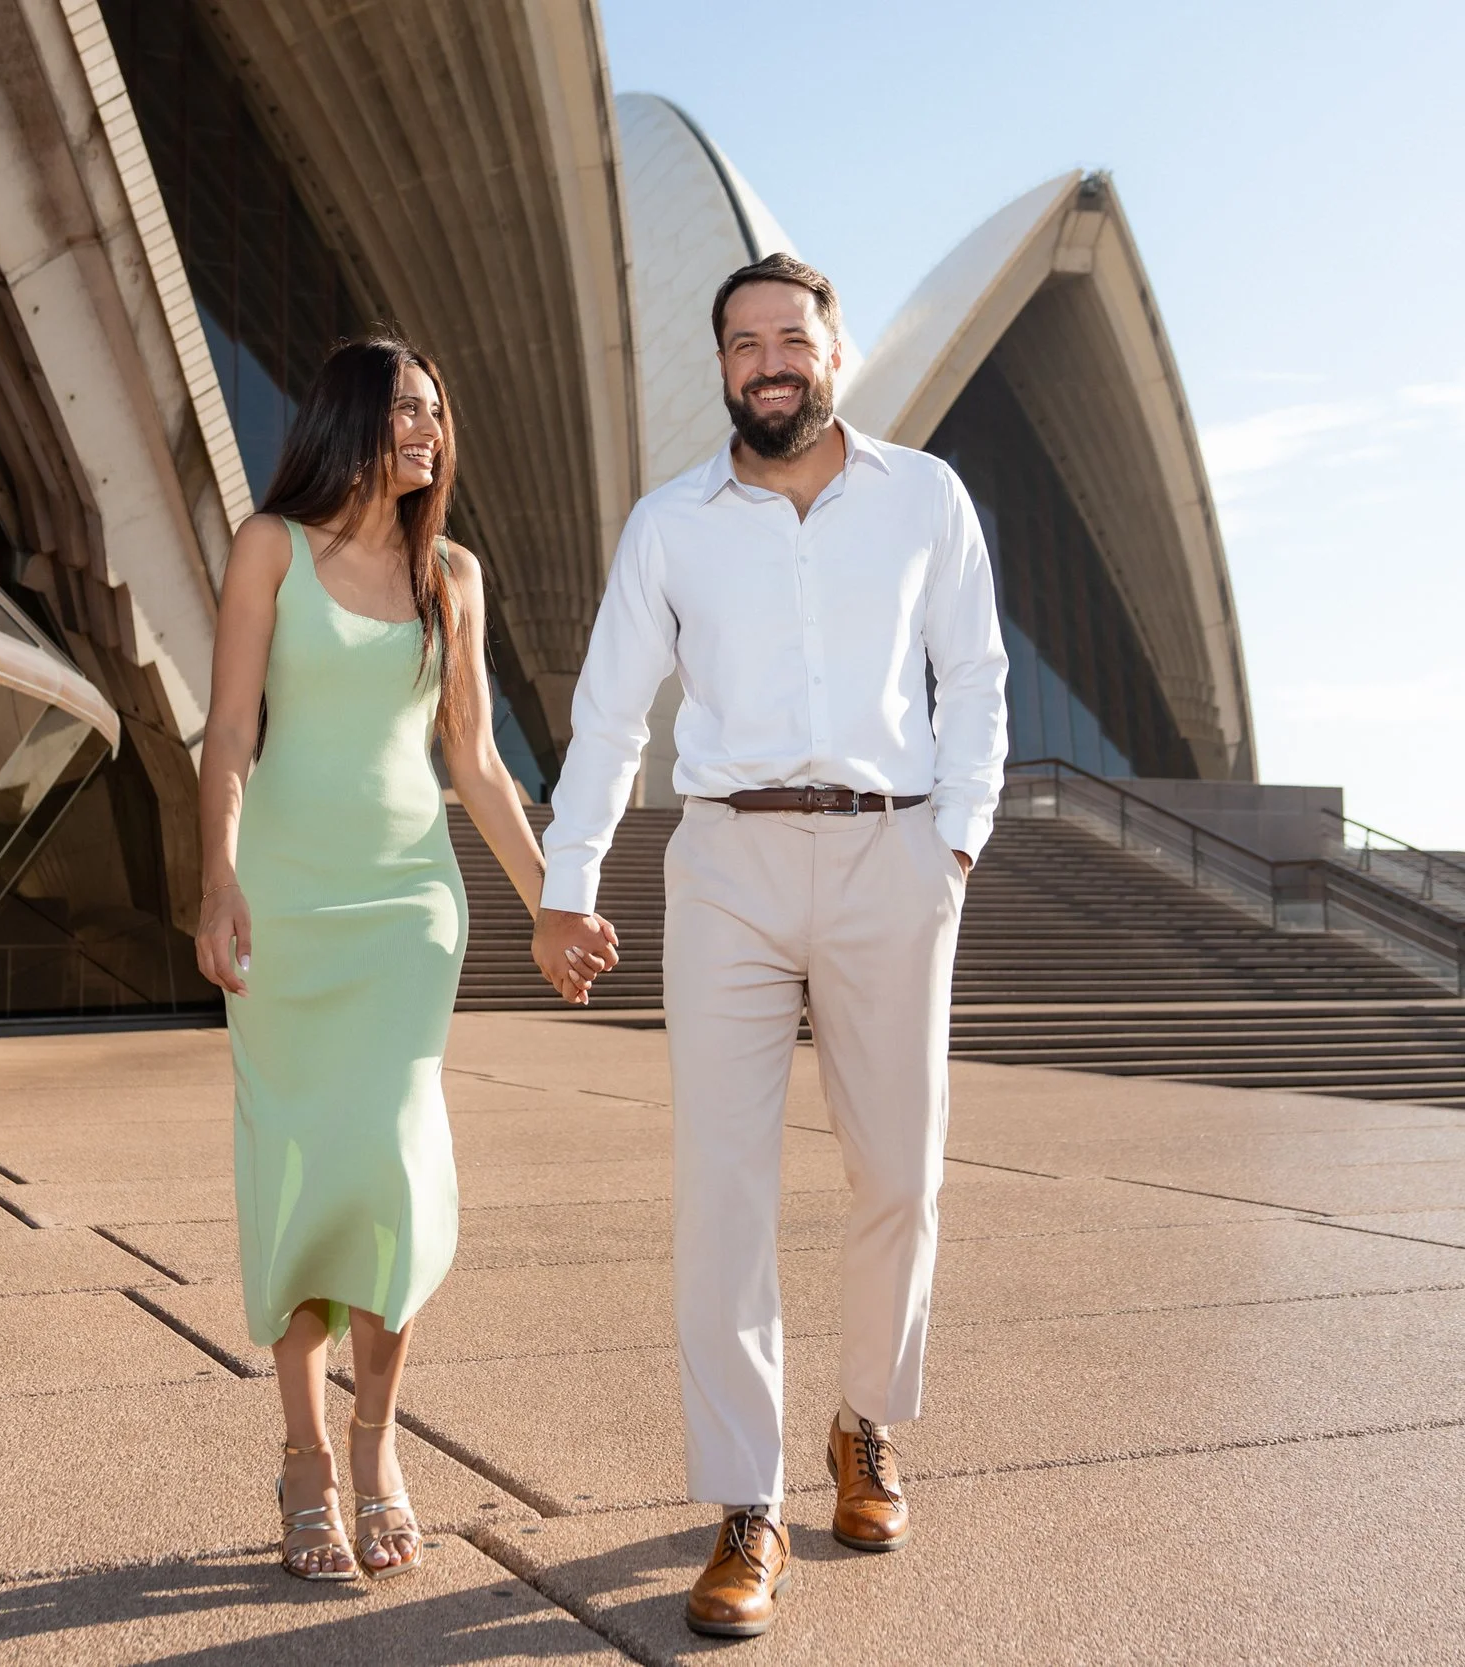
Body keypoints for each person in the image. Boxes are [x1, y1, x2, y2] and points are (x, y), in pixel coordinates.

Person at [532, 253, 1009, 1638]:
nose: (768, 360)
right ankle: (745, 1500)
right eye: (743, 342)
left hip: (892, 848)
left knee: (898, 1174)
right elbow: (611, 714)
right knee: (723, 1189)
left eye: (790, 336)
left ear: (836, 351)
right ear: (722, 367)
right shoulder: (672, 524)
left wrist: (957, 842)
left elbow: (975, 676)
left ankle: (864, 1422)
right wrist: (571, 881)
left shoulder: (927, 498)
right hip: (728, 859)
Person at [197, 336, 606, 1584]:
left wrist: (553, 900)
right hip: (284, 899)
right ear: (349, 422)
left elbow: (476, 760)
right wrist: (213, 878)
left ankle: (377, 1446)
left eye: (436, 410)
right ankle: (305, 1455)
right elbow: (225, 731)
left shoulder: (453, 577)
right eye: (402, 411)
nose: (424, 431)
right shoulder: (272, 546)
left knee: (392, 1175)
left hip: (404, 914)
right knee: (298, 1172)